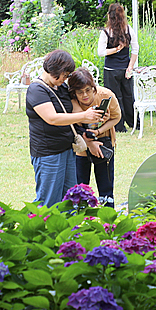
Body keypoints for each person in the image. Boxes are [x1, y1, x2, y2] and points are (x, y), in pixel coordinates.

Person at [27, 50, 103, 207]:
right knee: (48, 201)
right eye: (65, 74)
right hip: (48, 153)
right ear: (55, 70)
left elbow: (73, 112)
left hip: (67, 150)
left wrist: (89, 137)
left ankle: (68, 231)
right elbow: (52, 118)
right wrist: (84, 116)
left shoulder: (60, 88)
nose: (66, 78)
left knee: (69, 200)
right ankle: (35, 229)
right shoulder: (36, 90)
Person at [68, 68, 121, 207]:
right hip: (80, 147)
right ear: (74, 92)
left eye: (88, 90)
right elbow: (74, 125)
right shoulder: (70, 101)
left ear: (94, 88)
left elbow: (116, 117)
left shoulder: (106, 95)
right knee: (79, 189)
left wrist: (98, 132)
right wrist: (89, 142)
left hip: (104, 145)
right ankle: (81, 221)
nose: (85, 95)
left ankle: (109, 223)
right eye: (80, 92)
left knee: (106, 188)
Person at [97, 3, 138, 132]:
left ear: (109, 16)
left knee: (115, 98)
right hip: (125, 69)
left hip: (111, 70)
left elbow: (101, 52)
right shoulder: (128, 29)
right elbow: (135, 49)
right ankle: (134, 123)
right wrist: (130, 67)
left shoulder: (106, 32)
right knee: (128, 96)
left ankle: (119, 126)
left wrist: (114, 50)